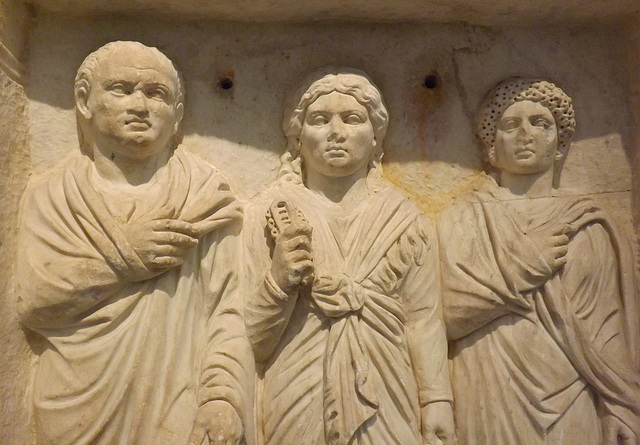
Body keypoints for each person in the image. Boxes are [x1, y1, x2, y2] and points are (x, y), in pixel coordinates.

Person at [16, 41, 251, 445]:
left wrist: (222, 397)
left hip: (177, 402)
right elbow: (35, 303)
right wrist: (125, 259)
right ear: (85, 101)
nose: (140, 106)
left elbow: (228, 310)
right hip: (74, 405)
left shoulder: (203, 197)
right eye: (121, 89)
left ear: (177, 116)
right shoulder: (53, 197)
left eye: (156, 94)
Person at [243, 67, 454, 445]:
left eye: (352, 119)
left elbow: (423, 319)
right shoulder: (268, 213)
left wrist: (437, 398)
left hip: (386, 386)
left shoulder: (405, 219)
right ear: (297, 136)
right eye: (319, 120)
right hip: (297, 387)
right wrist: (278, 282)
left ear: (376, 137)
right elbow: (248, 338)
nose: (336, 132)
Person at [438, 78, 640, 444]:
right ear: (491, 147)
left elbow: (608, 329)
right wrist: (525, 269)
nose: (525, 134)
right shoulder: (464, 217)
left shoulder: (589, 224)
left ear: (560, 144)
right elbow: (448, 314)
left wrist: (618, 406)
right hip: (489, 387)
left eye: (540, 123)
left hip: (574, 393)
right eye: (510, 125)